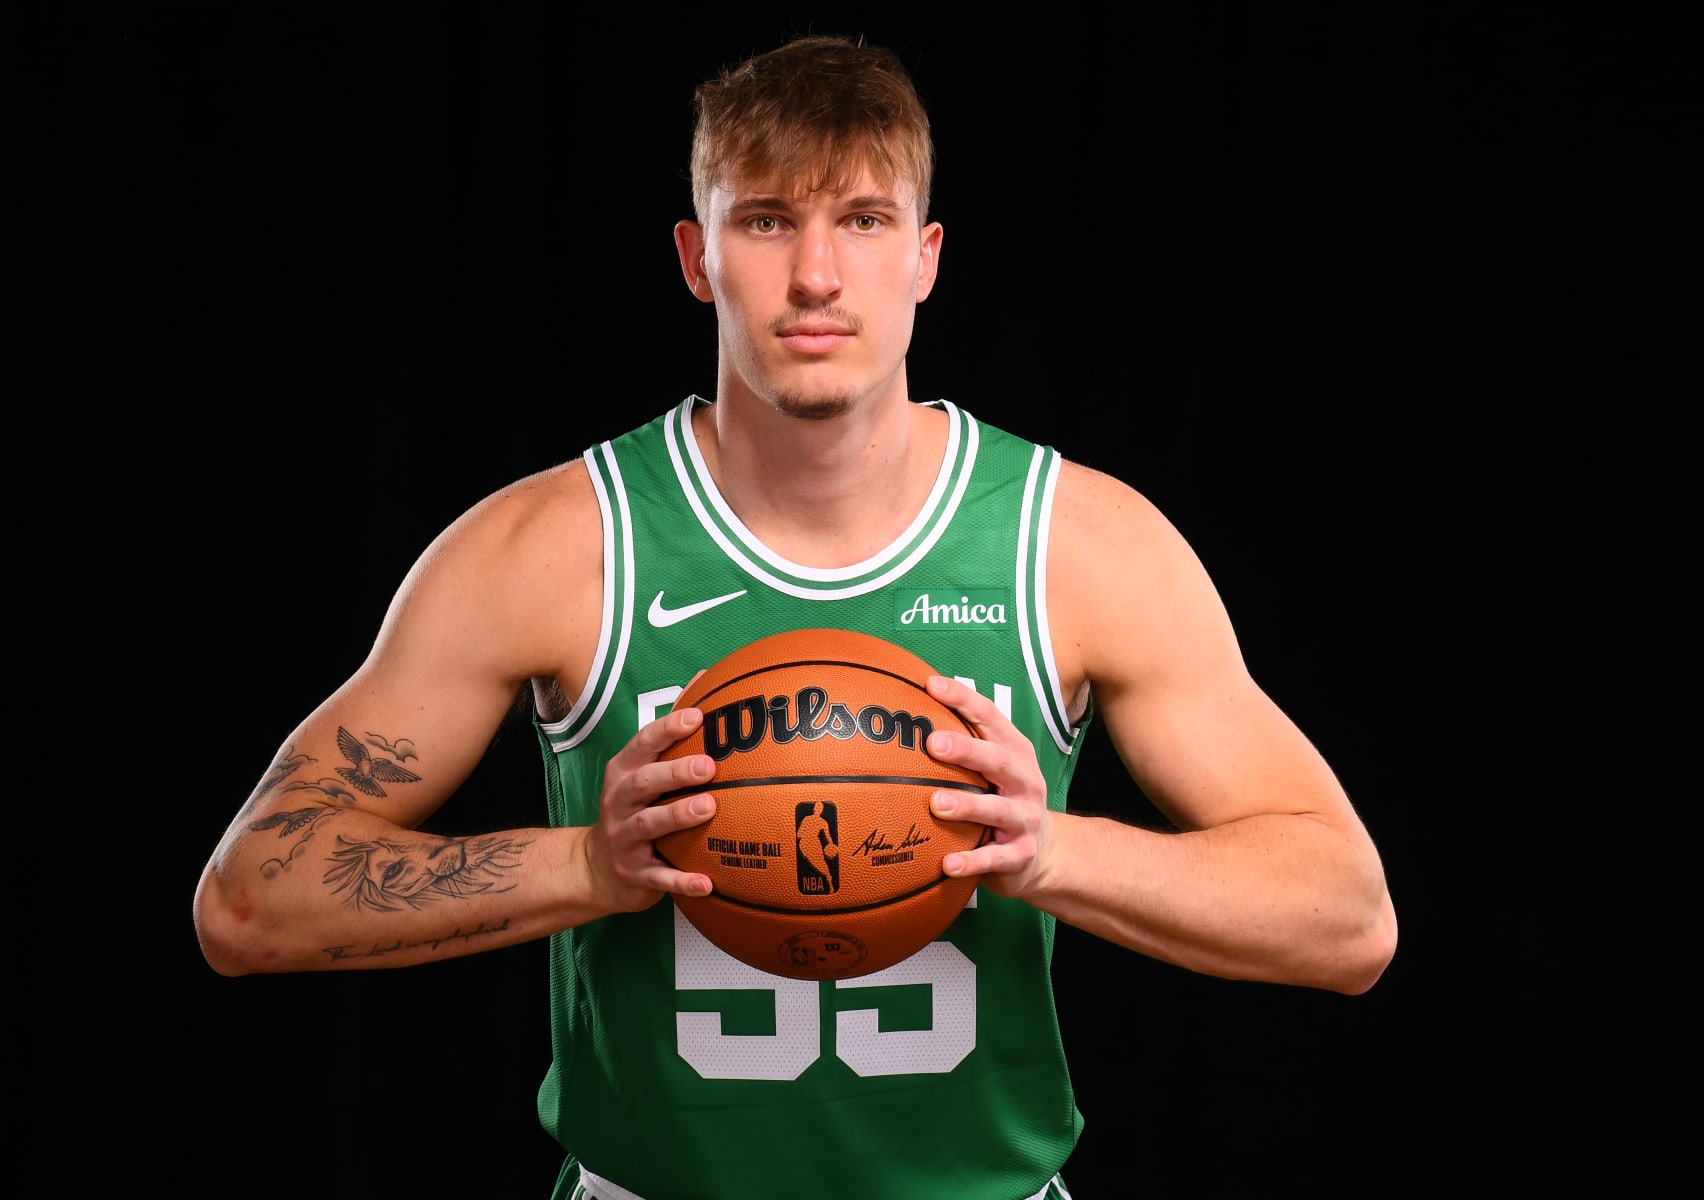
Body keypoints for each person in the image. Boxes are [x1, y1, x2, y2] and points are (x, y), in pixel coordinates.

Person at [194, 34, 1397, 1200]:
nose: (816, 275)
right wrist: (585, 866)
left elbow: (1346, 920)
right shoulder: (557, 547)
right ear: (696, 257)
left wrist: (1047, 849)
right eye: (765, 220)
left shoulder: (1078, 546)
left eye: (863, 223)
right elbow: (249, 900)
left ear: (925, 257)